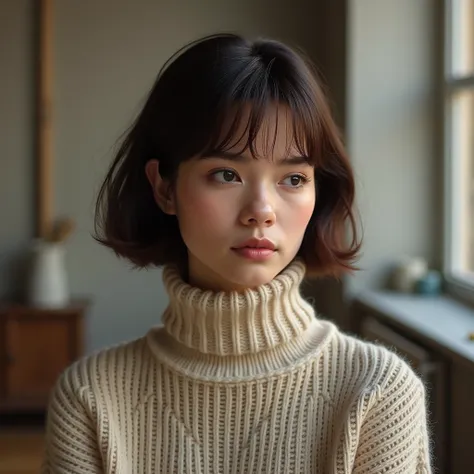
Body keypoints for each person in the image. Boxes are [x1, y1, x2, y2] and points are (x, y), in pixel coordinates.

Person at [42, 34, 432, 473]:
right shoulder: (91, 398)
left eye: (293, 179)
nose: (261, 212)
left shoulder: (380, 392)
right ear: (164, 187)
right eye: (226, 174)